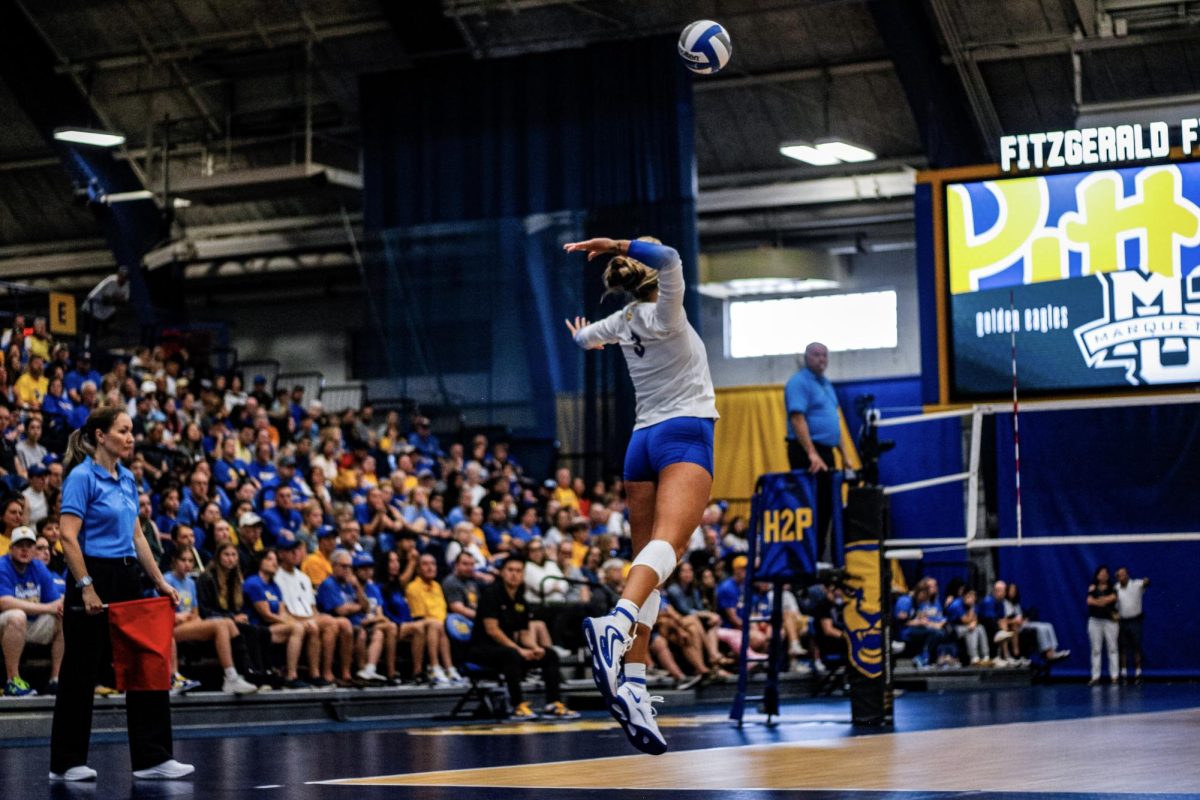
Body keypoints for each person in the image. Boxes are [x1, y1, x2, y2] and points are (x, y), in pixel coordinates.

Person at [565, 234, 719, 755]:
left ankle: (633, 680)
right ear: (653, 276)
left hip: (641, 445)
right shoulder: (666, 312)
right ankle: (616, 625)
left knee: (646, 563)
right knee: (670, 549)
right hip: (683, 435)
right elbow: (672, 255)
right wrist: (615, 242)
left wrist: (587, 335)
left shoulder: (623, 322)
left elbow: (584, 344)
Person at [50, 407, 195, 781]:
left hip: (128, 574)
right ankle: (66, 763)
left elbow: (136, 536)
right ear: (100, 435)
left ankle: (152, 759)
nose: (131, 438)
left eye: (132, 431)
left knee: (147, 662)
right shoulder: (82, 477)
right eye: (123, 430)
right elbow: (67, 536)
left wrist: (160, 581)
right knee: (80, 670)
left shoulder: (128, 478)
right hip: (93, 574)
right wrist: (86, 586)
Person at [468, 555, 578, 720]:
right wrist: (519, 650)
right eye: (510, 570)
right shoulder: (491, 594)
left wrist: (534, 648)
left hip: (508, 648)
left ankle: (553, 704)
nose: (514, 574)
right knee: (511, 655)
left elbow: (524, 633)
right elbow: (492, 630)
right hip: (482, 650)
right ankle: (517, 705)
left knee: (549, 654)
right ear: (502, 573)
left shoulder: (520, 599)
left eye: (518, 571)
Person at [162, 550, 257, 695]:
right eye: (183, 560)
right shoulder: (166, 580)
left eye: (190, 561)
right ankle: (230, 678)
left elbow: (195, 613)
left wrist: (191, 618)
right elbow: (162, 614)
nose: (187, 564)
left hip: (187, 624)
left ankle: (242, 673)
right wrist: (181, 617)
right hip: (170, 628)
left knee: (228, 623)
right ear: (174, 561)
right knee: (220, 624)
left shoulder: (190, 583)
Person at [784, 342, 841, 558]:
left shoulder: (825, 384)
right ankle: (807, 558)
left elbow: (834, 420)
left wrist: (844, 456)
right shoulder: (799, 383)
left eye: (825, 355)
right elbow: (797, 418)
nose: (821, 359)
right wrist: (811, 453)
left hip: (826, 451)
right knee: (811, 505)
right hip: (807, 451)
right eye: (816, 355)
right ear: (807, 357)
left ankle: (818, 557)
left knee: (827, 505)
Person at [275, 538, 350, 688]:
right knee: (327, 623)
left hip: (308, 615)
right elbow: (284, 609)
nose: (296, 554)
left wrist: (316, 617)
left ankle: (335, 672)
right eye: (291, 551)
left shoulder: (303, 577)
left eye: (297, 550)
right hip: (292, 618)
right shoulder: (277, 576)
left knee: (341, 623)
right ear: (281, 554)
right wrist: (311, 619)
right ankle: (318, 673)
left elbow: (312, 606)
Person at [0, 525, 64, 696]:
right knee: (17, 616)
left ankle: (55, 680)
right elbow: (4, 602)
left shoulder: (38, 567)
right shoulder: (2, 565)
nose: (24, 550)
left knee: (62, 616)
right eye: (20, 545)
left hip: (29, 624)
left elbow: (55, 602)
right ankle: (12, 681)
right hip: (5, 624)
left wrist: (58, 605)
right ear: (11, 548)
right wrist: (47, 607)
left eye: (29, 546)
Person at [243, 549, 308, 689]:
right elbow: (266, 615)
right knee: (297, 628)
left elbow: (282, 612)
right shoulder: (253, 583)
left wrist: (288, 620)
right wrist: (291, 622)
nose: (275, 563)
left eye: (276, 561)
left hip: (274, 627)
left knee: (308, 627)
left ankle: (310, 674)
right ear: (260, 562)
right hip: (258, 629)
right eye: (270, 559)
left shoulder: (274, 586)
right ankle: (291, 675)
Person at [404, 553, 463, 685]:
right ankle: (434, 667)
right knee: (435, 624)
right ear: (418, 569)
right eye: (425, 564)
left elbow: (442, 611)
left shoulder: (437, 586)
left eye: (433, 564)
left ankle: (449, 669)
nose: (430, 568)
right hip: (421, 624)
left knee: (441, 625)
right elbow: (419, 616)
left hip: (440, 625)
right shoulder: (413, 587)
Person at [1115, 566, 1149, 683]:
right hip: (1122, 622)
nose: (1122, 576)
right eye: (1120, 575)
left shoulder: (1136, 584)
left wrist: (1146, 581)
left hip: (1135, 621)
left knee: (1136, 647)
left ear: (1128, 575)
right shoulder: (1116, 588)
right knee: (1123, 648)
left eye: (1124, 574)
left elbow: (1146, 583)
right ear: (1117, 577)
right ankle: (1123, 674)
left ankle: (1138, 674)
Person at [1087, 565, 1120, 685]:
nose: (1103, 575)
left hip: (1110, 621)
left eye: (1105, 573)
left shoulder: (1113, 587)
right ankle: (1095, 676)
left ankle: (1115, 676)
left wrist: (1099, 601)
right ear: (1097, 575)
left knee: (1113, 648)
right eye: (1101, 573)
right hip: (1095, 621)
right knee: (1096, 649)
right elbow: (1089, 601)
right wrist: (1102, 601)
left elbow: (1112, 598)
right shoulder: (1092, 587)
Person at [945, 588, 989, 666]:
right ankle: (974, 657)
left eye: (973, 596)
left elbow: (975, 619)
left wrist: (974, 623)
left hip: (966, 627)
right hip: (954, 629)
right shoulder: (957, 604)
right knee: (971, 629)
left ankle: (985, 656)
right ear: (964, 596)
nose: (972, 598)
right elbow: (965, 620)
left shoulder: (974, 604)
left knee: (980, 628)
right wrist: (972, 607)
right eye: (969, 596)